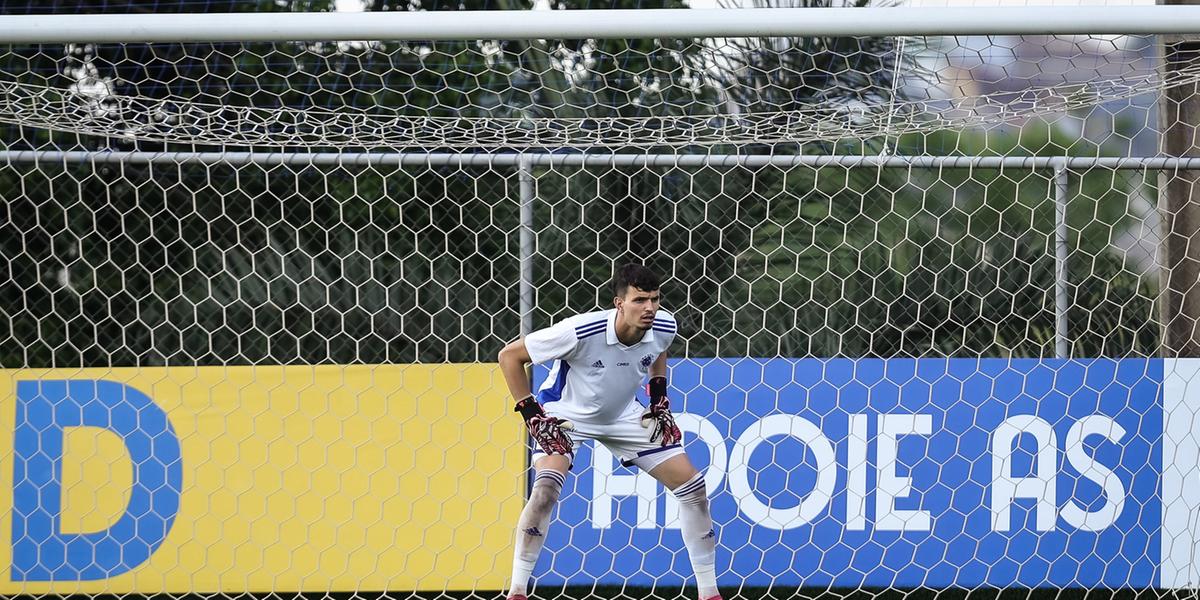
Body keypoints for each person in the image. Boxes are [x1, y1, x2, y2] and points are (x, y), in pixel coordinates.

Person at [497, 263, 720, 600]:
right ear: (619, 303)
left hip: (623, 415)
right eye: (640, 300)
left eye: (655, 299)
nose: (649, 308)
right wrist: (533, 416)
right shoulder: (579, 331)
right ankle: (517, 591)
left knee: (694, 488)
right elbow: (509, 356)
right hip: (564, 414)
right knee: (545, 492)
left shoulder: (663, 324)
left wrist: (658, 396)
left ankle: (710, 593)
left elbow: (659, 349)